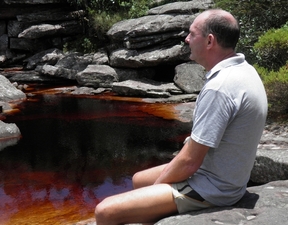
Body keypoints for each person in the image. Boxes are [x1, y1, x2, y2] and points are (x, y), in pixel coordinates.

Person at [95, 9, 268, 225]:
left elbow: (189, 163)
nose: (186, 39)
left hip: (212, 188)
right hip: (225, 177)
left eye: (192, 34)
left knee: (105, 212)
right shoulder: (244, 70)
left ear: (209, 41)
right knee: (139, 180)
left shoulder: (220, 88)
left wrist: (159, 187)